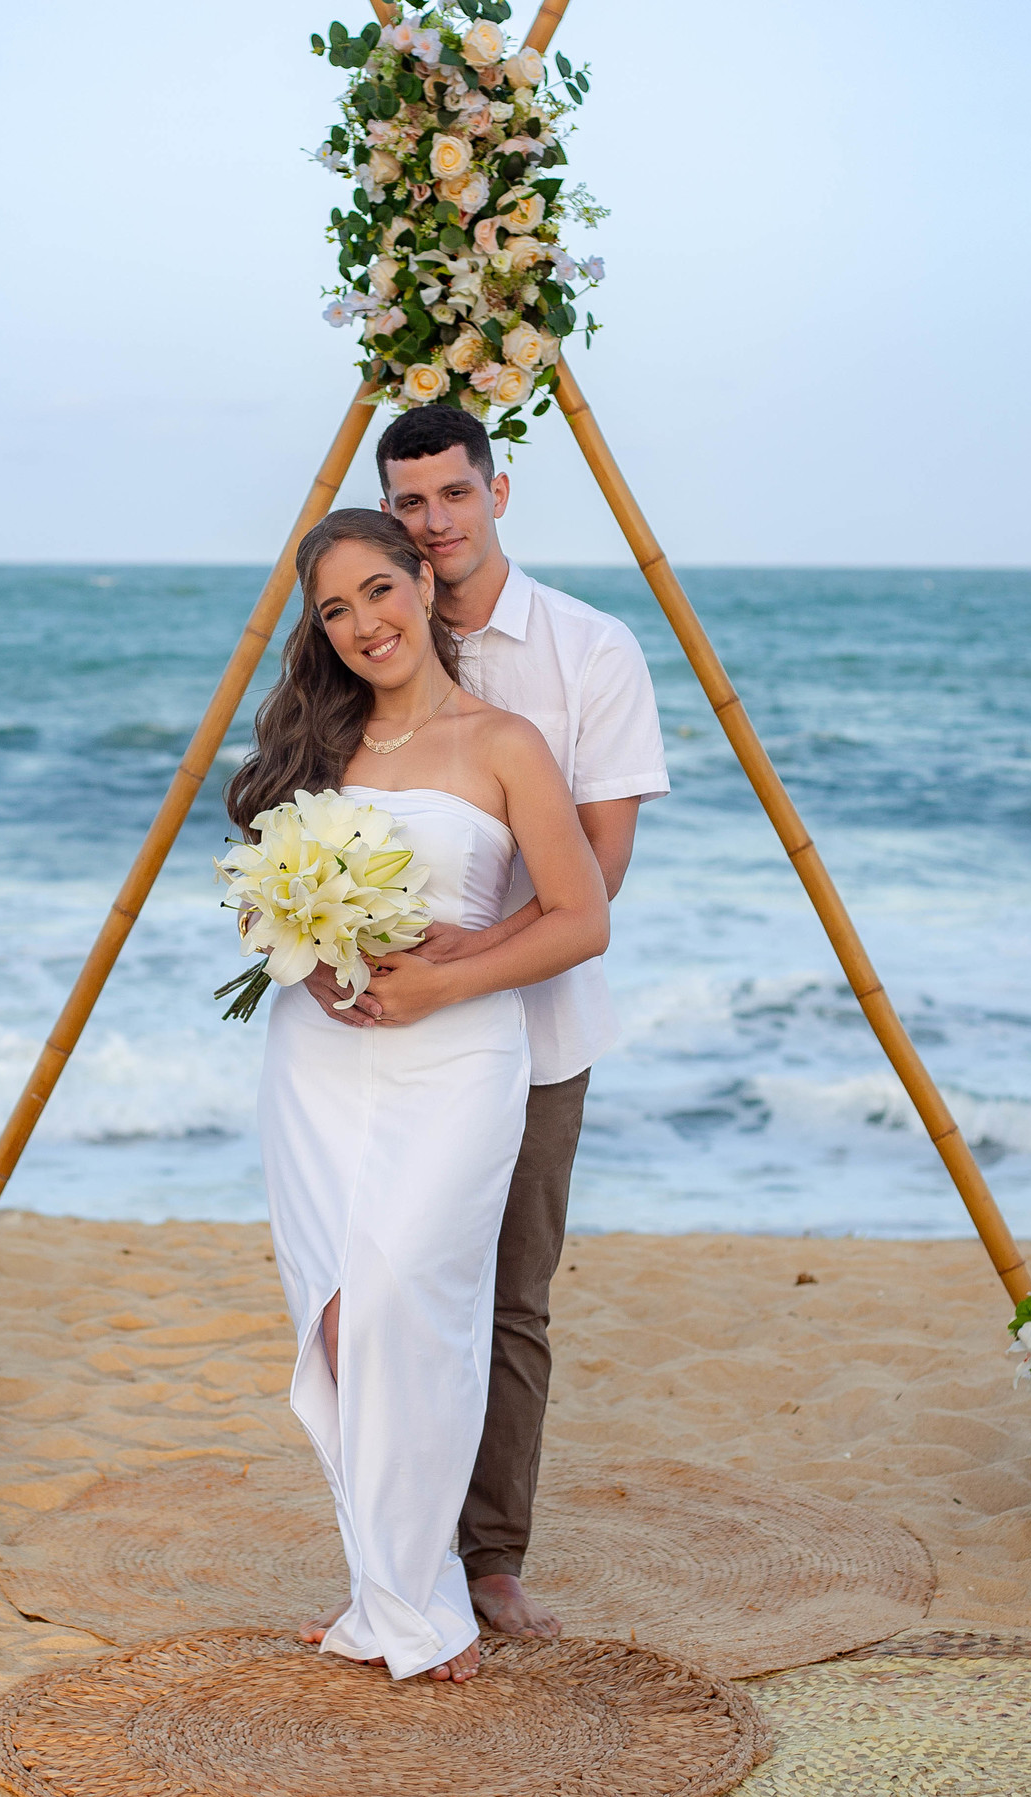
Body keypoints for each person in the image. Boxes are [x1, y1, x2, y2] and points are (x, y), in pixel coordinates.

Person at [300, 407, 669, 1641]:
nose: (435, 522)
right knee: (380, 1279)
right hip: (364, 1042)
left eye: (454, 495)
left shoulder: (588, 650)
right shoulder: (365, 647)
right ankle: (401, 1552)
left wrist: (463, 964)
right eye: (411, 504)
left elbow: (597, 872)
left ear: (497, 491)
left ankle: (490, 1555)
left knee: (506, 1292)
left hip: (535, 1022)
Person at [227, 507, 609, 1682]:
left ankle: (416, 1592)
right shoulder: (316, 745)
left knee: (409, 1302)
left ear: (424, 587)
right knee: (340, 1320)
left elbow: (581, 918)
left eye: (377, 593)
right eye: (334, 610)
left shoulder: (507, 743)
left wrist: (445, 981)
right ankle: (394, 1594)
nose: (361, 626)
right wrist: (304, 937)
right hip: (318, 1056)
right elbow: (253, 908)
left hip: (457, 1055)